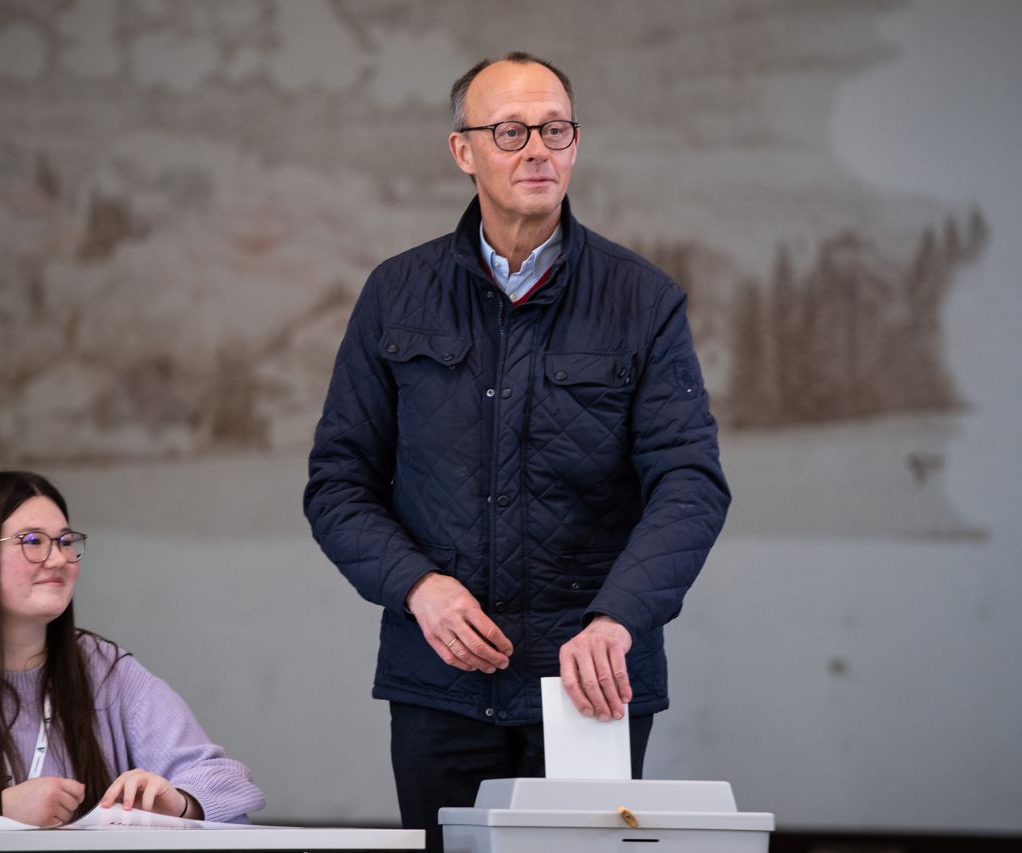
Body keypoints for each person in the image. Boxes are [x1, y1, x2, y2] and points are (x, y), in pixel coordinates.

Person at [304, 51, 729, 850]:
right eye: (510, 131)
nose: (538, 148)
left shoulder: (643, 301)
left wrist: (618, 619)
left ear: (575, 144)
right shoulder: (397, 293)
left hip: (589, 684)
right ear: (463, 151)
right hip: (440, 681)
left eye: (556, 129)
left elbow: (690, 485)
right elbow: (337, 483)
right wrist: (418, 586)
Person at [0, 470, 265, 830]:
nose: (59, 559)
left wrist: (179, 803)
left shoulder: (105, 670)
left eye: (65, 541)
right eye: (33, 541)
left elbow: (228, 785)